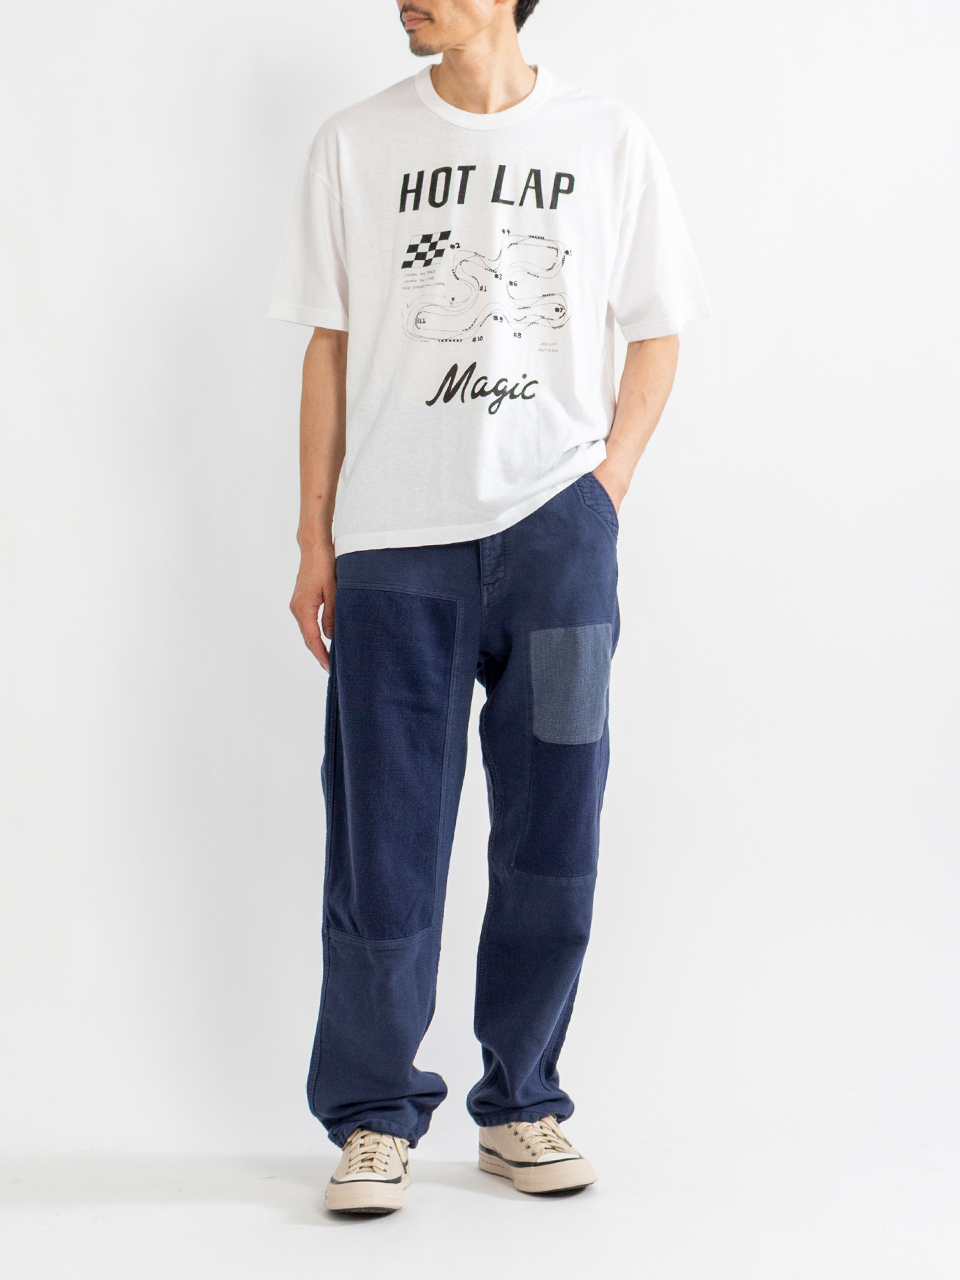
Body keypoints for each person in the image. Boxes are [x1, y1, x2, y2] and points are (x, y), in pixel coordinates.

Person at [270, 0, 710, 1214]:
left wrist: (604, 490)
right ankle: (373, 1116)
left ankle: (522, 1103)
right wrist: (314, 533)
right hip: (393, 550)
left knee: (552, 832)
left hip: (556, 543)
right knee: (383, 844)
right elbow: (328, 347)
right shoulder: (356, 142)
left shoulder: (607, 137)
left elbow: (658, 329)